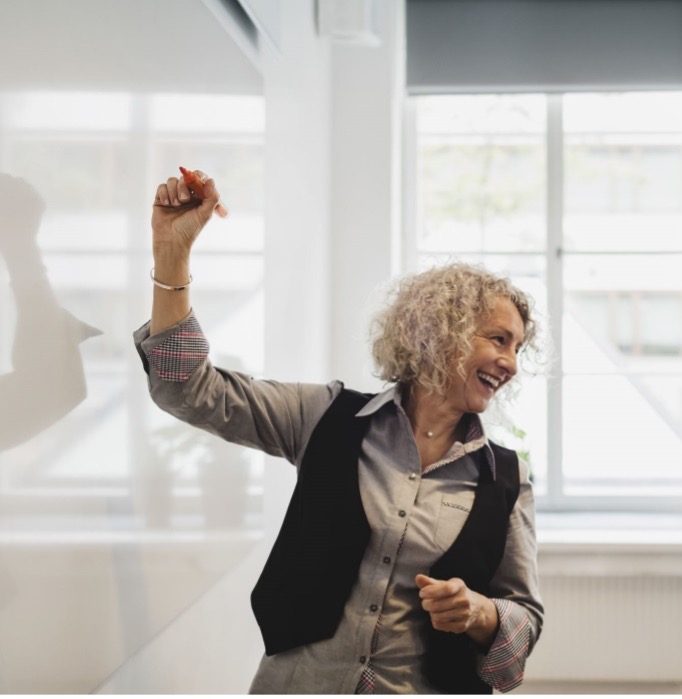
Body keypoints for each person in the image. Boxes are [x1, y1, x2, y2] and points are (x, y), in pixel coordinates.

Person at [133, 168, 542, 694]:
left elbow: (524, 619)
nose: (510, 362)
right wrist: (172, 254)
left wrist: (482, 613)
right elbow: (186, 388)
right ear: (441, 333)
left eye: (518, 348)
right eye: (499, 339)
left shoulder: (508, 478)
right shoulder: (325, 416)